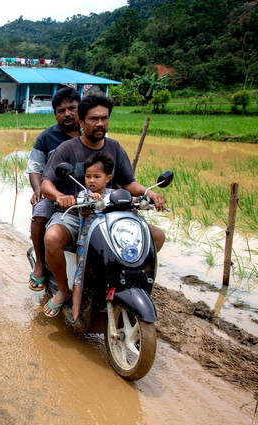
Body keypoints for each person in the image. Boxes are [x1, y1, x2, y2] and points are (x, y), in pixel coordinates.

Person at [41, 93, 167, 317]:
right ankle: (62, 290)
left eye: (104, 118)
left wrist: (150, 193)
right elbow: (46, 184)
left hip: (110, 212)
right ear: (81, 122)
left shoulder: (115, 148)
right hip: (75, 212)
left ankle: (122, 281)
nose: (100, 123)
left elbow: (129, 183)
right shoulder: (67, 149)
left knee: (155, 236)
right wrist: (60, 196)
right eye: (93, 119)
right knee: (51, 238)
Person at [25, 87, 81, 292]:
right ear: (55, 113)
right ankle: (40, 264)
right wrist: (39, 189)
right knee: (39, 215)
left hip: (87, 193)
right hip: (54, 191)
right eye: (61, 110)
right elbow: (34, 168)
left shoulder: (91, 132)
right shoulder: (46, 137)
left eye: (71, 108)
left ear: (79, 108)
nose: (67, 114)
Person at [71, 152, 114, 322]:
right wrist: (91, 199)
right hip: (87, 243)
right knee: (80, 275)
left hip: (108, 243)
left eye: (97, 176)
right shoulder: (84, 195)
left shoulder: (112, 194)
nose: (91, 181)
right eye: (88, 176)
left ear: (108, 178)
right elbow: (85, 209)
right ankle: (75, 311)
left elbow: (125, 201)